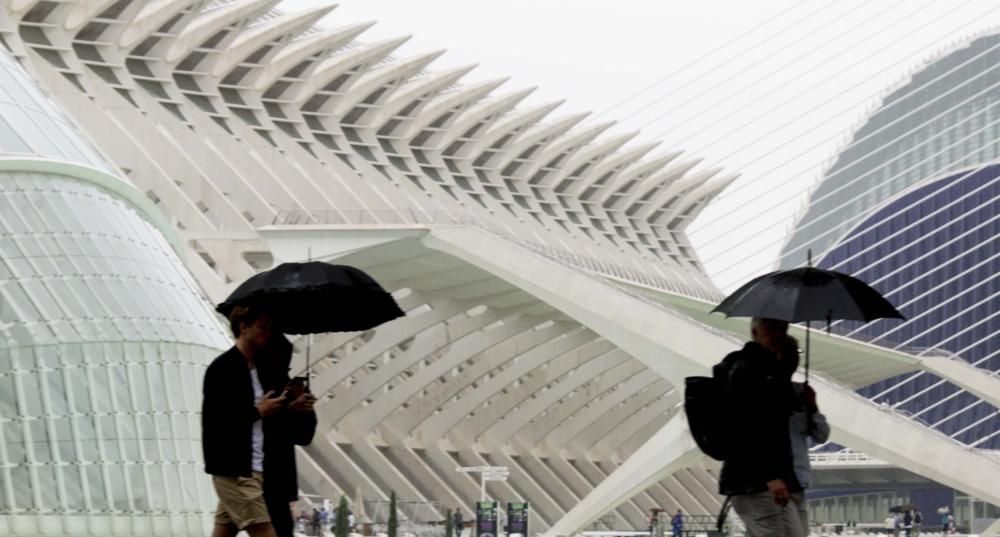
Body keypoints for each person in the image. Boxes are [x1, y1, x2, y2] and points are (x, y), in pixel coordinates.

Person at [203, 306, 287, 537]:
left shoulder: (256, 369)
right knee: (265, 532)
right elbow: (216, 421)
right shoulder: (223, 368)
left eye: (269, 328)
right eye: (262, 327)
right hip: (237, 470)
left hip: (253, 466)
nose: (267, 333)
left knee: (223, 532)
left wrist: (292, 404)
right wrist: (258, 411)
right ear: (243, 327)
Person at [718, 318, 803, 537]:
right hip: (755, 481)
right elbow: (745, 428)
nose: (778, 335)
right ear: (754, 332)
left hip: (770, 480)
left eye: (782, 329)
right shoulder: (747, 370)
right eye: (771, 329)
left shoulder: (770, 372)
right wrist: (770, 476)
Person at [256, 334, 318, 537]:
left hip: (276, 479)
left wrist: (305, 409)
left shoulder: (287, 389)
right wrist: (290, 408)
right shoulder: (249, 384)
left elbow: (303, 436)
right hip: (251, 475)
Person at [781, 336, 830, 537]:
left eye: (797, 354)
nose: (794, 360)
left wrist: (812, 406)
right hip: (777, 485)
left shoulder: (800, 392)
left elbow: (821, 435)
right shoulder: (763, 392)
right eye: (790, 355)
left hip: (798, 482)